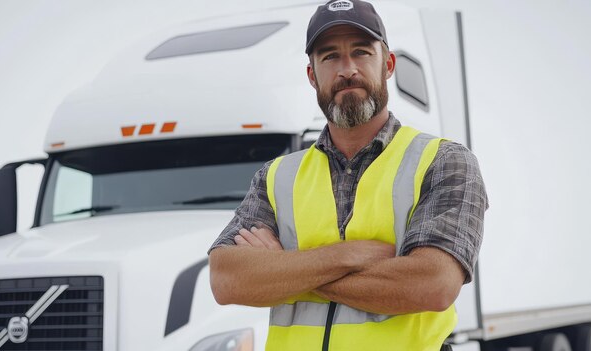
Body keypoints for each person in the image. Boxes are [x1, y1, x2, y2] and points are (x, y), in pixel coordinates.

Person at [208, 0, 488, 350]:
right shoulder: (277, 176)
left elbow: (433, 285)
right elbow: (226, 280)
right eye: (329, 57)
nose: (347, 69)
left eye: (361, 52)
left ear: (387, 65)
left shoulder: (443, 161)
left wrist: (283, 270)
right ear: (312, 76)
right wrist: (347, 255)